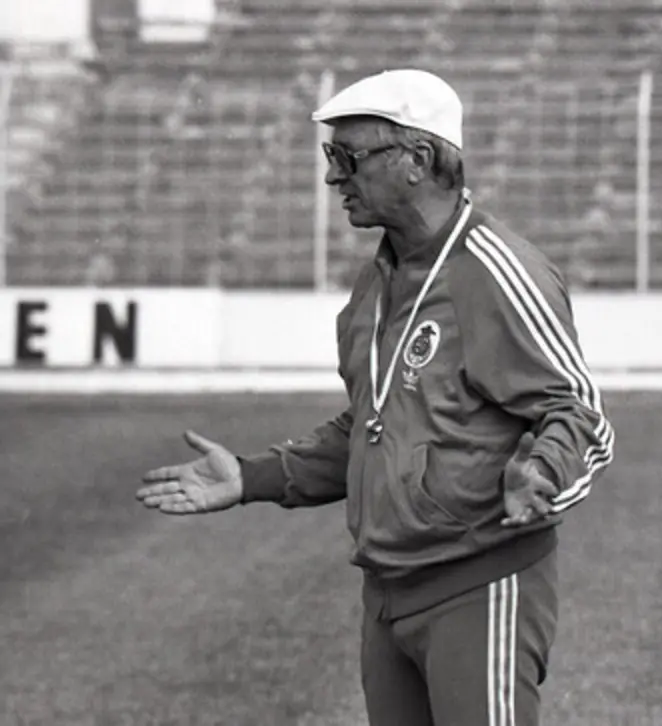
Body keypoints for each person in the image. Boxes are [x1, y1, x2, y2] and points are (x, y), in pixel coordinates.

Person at [135, 68, 615, 726]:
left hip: (480, 583)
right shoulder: (375, 285)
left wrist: (542, 474)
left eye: (347, 157)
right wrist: (252, 477)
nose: (334, 177)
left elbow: (577, 410)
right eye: (333, 157)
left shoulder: (497, 272)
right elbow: (371, 424)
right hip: (387, 595)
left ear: (417, 159)